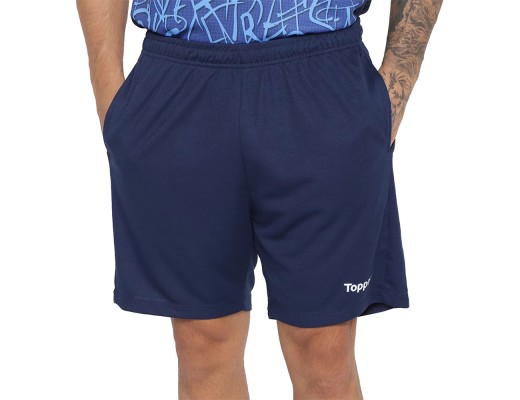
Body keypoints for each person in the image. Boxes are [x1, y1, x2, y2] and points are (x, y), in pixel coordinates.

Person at [77, 0, 442, 398]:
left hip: (322, 72)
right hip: (177, 75)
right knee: (202, 343)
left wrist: (398, 79)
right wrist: (107, 87)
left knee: (324, 350)